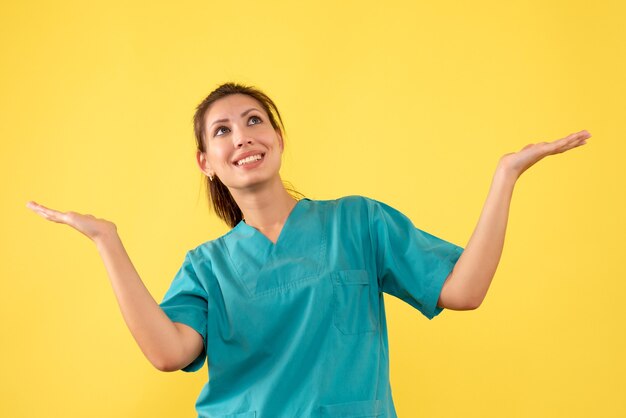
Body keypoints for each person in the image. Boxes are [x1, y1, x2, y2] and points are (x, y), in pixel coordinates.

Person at [27, 82, 591, 418]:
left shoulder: (358, 222)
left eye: (254, 121)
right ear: (206, 161)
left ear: (277, 138)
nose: (242, 135)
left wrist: (505, 177)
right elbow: (170, 353)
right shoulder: (208, 266)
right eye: (221, 131)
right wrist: (108, 241)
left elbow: (463, 291)